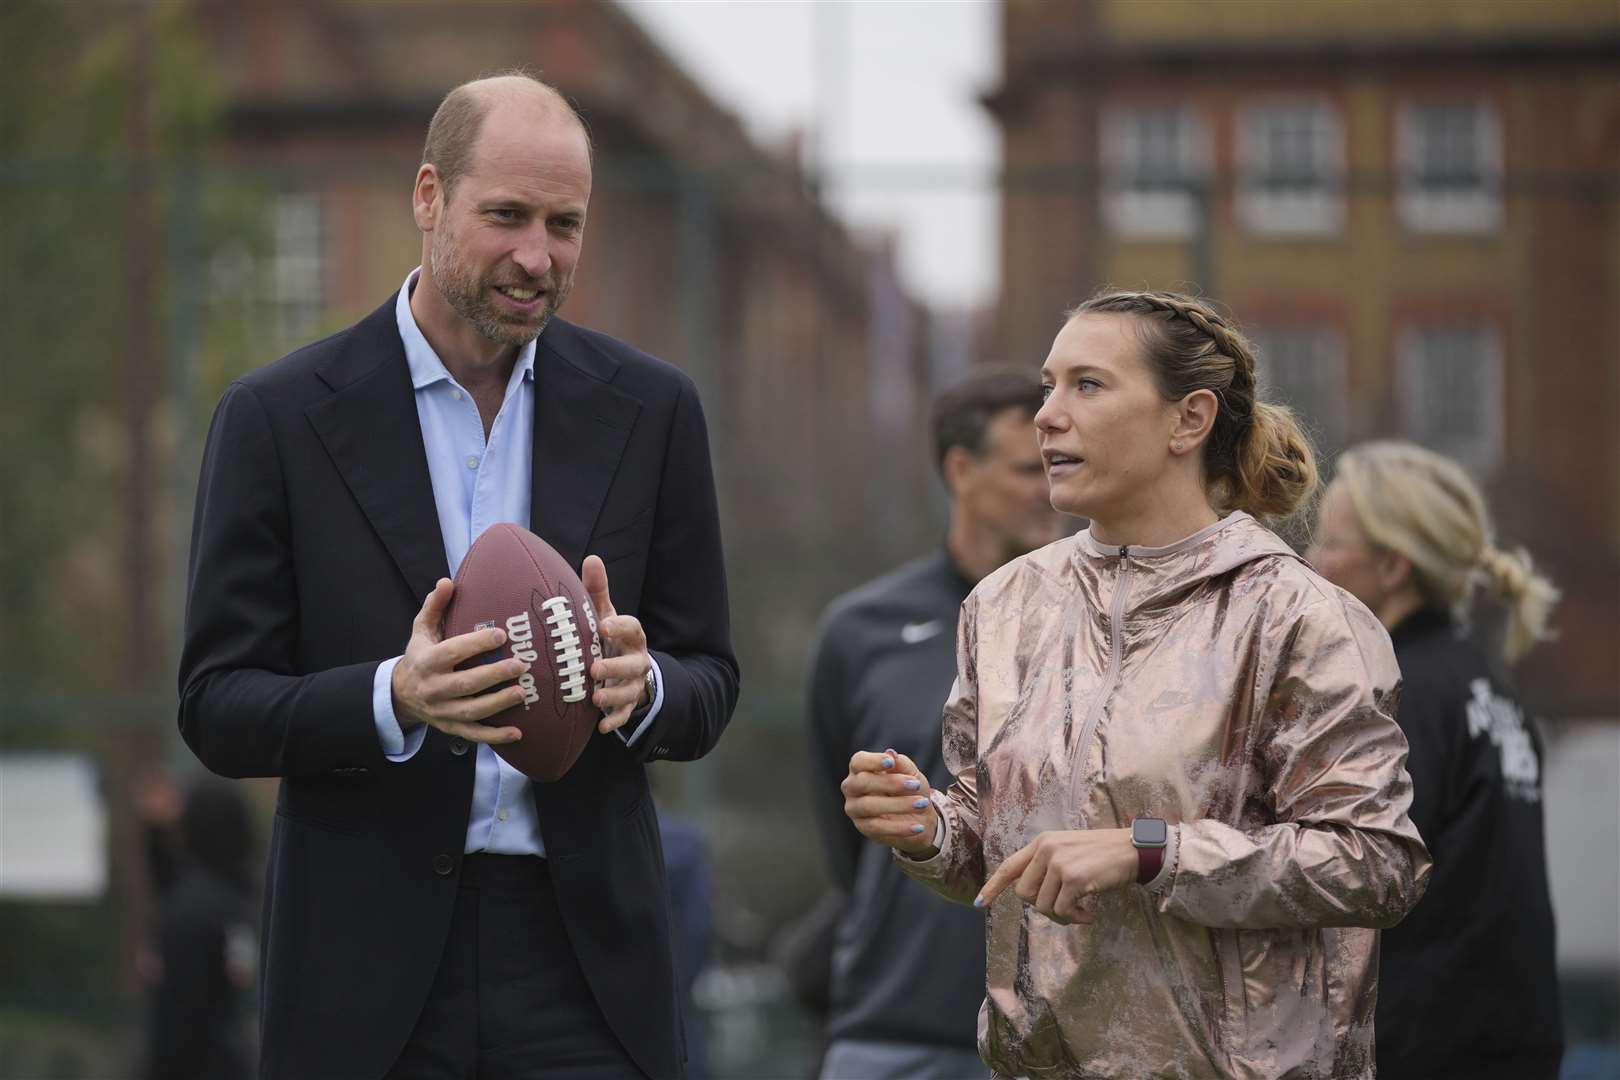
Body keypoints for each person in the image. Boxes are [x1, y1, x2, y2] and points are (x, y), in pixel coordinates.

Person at [178, 73, 739, 1080]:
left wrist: (643, 685)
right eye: (507, 216)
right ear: (429, 197)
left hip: (588, 968)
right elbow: (217, 704)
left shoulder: (652, 412)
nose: (538, 255)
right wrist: (393, 696)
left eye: (564, 224)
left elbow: (711, 679)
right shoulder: (278, 418)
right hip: (365, 972)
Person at [840, 290, 1432, 1078]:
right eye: (1048, 385)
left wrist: (1153, 853)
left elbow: (1376, 862)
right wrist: (929, 828)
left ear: (1189, 420)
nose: (1046, 415)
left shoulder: (1301, 615)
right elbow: (995, 850)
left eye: (1086, 385)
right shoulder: (1002, 606)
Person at [807, 369, 1065, 1080]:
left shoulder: (1106, 623)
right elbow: (850, 842)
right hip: (899, 1026)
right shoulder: (861, 630)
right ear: (960, 470)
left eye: (1056, 466)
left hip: (1068, 1036)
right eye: (1026, 469)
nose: (1050, 488)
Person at [1307, 440, 1564, 1080]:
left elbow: (1351, 877)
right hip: (1511, 1041)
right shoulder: (1484, 684)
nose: (1311, 562)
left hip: (1424, 1047)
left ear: (1392, 567)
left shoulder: (1400, 697)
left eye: (1331, 543)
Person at [141, 779, 258, 1080]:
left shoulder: (192, 908)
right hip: (235, 1059)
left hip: (195, 1062)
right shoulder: (242, 897)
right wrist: (153, 834)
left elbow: (182, 1012)